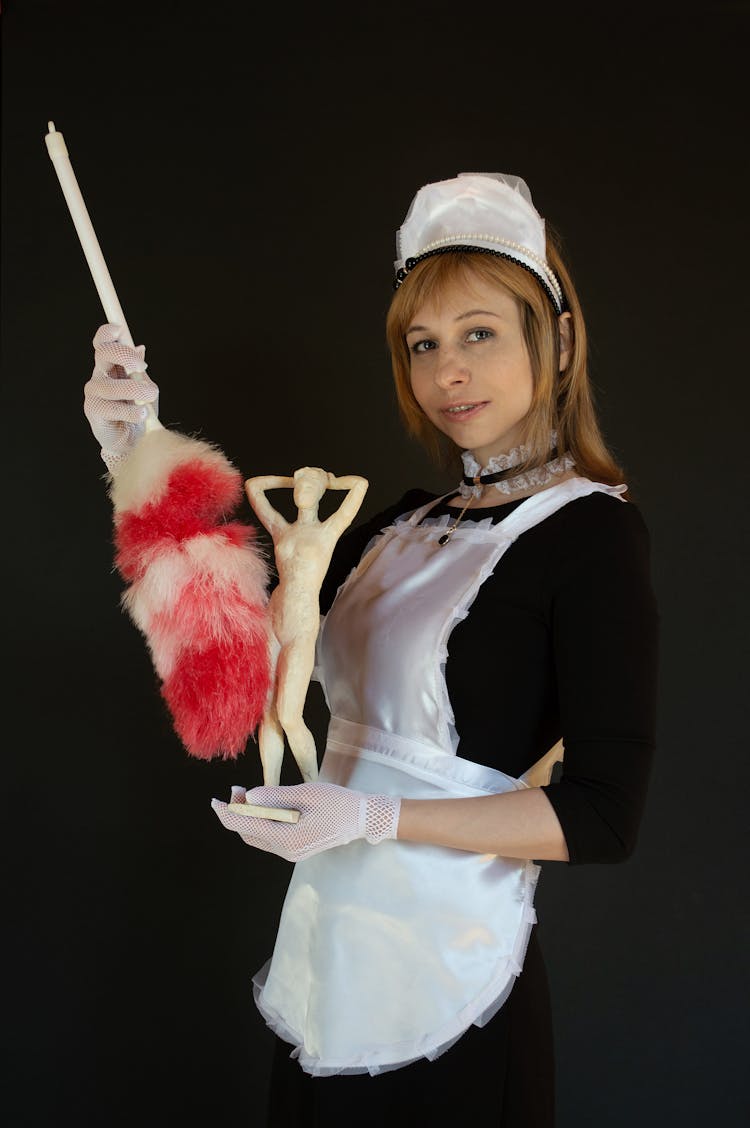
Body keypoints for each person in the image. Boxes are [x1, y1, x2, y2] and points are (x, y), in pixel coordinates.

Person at [82, 172, 659, 1126]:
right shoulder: (394, 525)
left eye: (478, 333)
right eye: (422, 345)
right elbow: (232, 661)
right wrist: (136, 448)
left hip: (456, 982)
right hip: (330, 954)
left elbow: (601, 816)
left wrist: (375, 818)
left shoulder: (590, 534)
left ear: (554, 338)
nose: (447, 373)